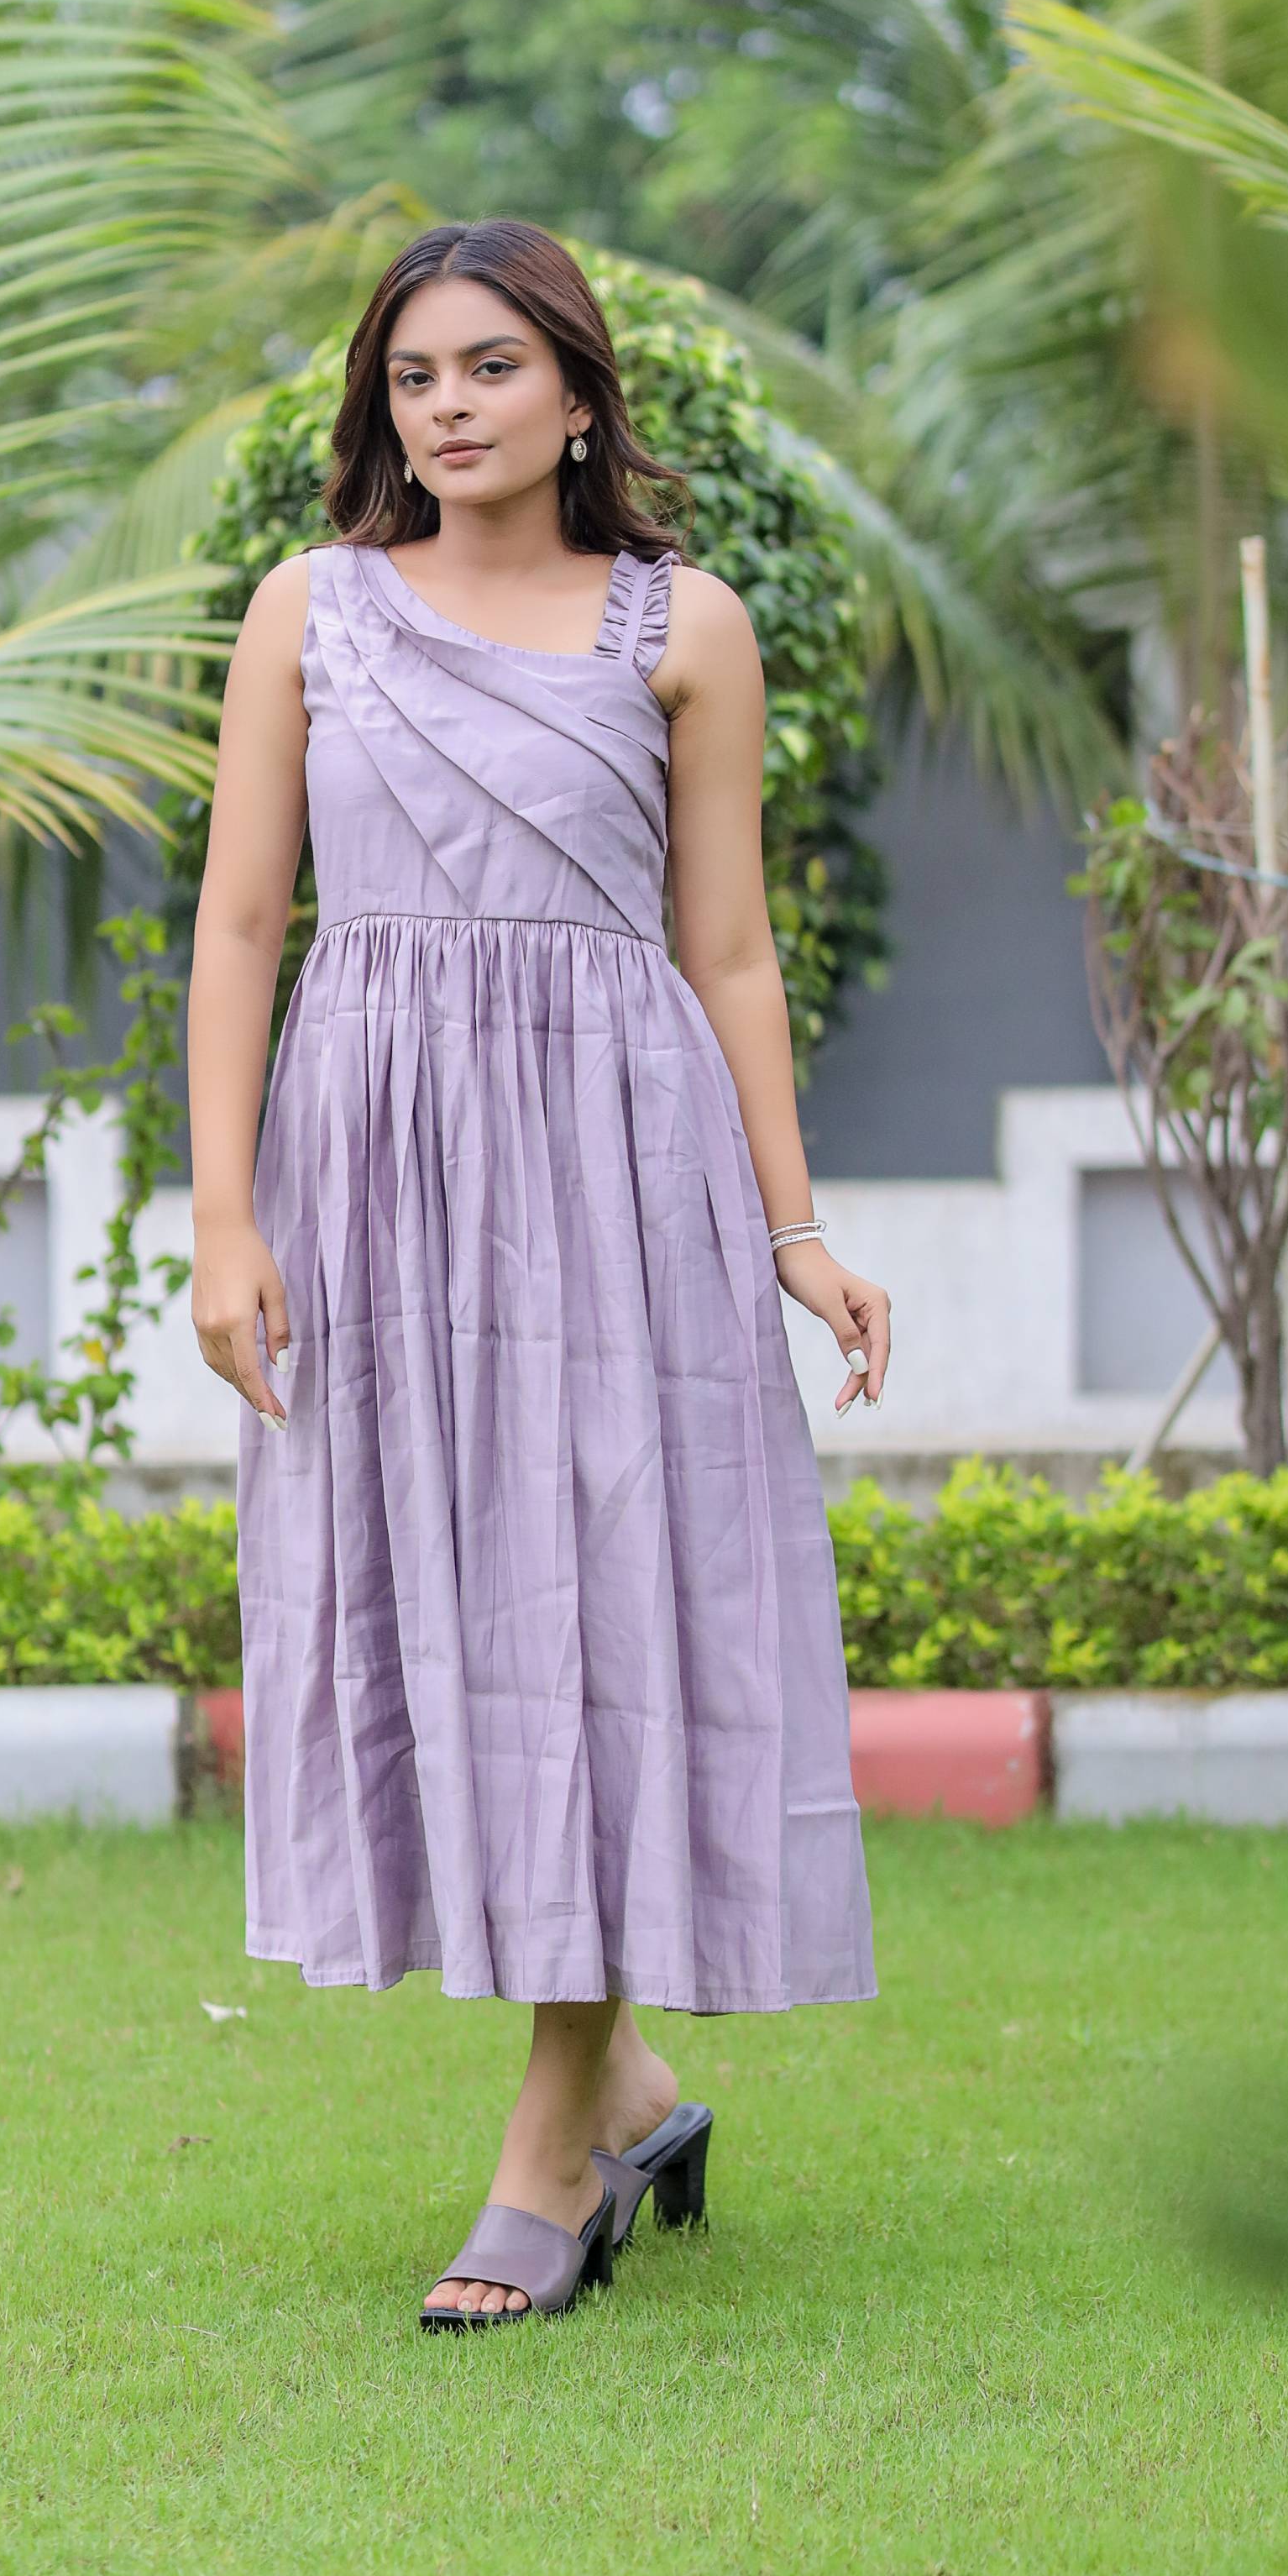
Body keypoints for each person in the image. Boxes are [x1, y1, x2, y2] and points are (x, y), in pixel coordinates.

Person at [186, 220, 886, 2331]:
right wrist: (224, 1220)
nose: (451, 405)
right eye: (413, 377)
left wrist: (791, 1223)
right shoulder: (307, 612)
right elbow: (237, 928)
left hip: (616, 1170)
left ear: (577, 393)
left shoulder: (686, 627)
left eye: (491, 366)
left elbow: (730, 952)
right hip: (382, 1168)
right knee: (461, 1611)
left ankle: (544, 2154)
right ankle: (633, 2080)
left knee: (597, 1614)